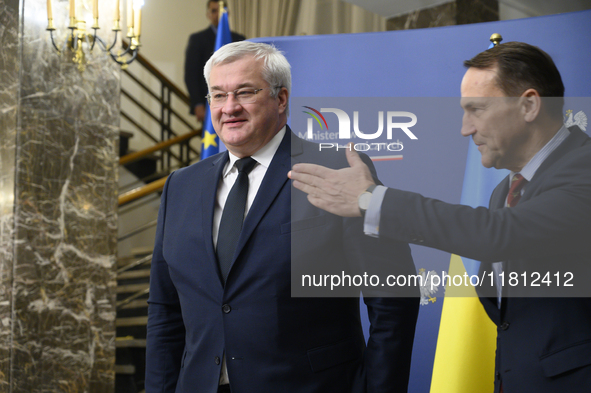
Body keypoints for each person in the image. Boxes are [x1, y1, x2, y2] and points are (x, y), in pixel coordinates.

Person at [289, 41, 591, 393]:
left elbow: (498, 234)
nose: (465, 128)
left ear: (529, 105)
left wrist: (372, 200)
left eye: (476, 109)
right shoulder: (503, 192)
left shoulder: (584, 167)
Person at [146, 41, 419, 393]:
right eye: (218, 95)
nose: (230, 108)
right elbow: (164, 311)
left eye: (245, 92)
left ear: (281, 99)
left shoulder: (339, 169)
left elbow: (394, 297)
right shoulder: (180, 186)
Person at [184, 0, 245, 123]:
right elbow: (191, 75)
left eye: (222, 10)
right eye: (214, 11)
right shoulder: (197, 39)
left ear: (228, 13)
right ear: (208, 14)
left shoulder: (239, 39)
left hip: (237, 100)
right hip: (209, 101)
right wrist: (198, 103)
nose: (218, 14)